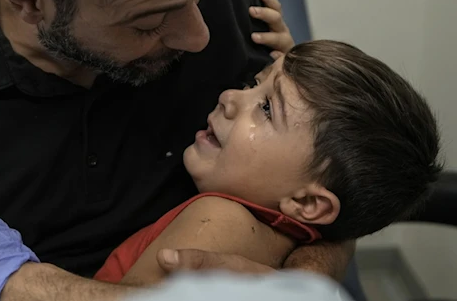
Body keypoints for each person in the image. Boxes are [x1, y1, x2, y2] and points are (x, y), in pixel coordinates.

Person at [0, 0, 353, 300]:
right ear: (29, 1)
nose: (199, 37)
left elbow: (335, 177)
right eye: (147, 24)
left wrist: (303, 283)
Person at [93, 40, 442, 284]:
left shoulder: (220, 221)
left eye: (266, 108)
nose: (230, 98)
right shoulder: (291, 237)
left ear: (307, 202)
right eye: (253, 84)